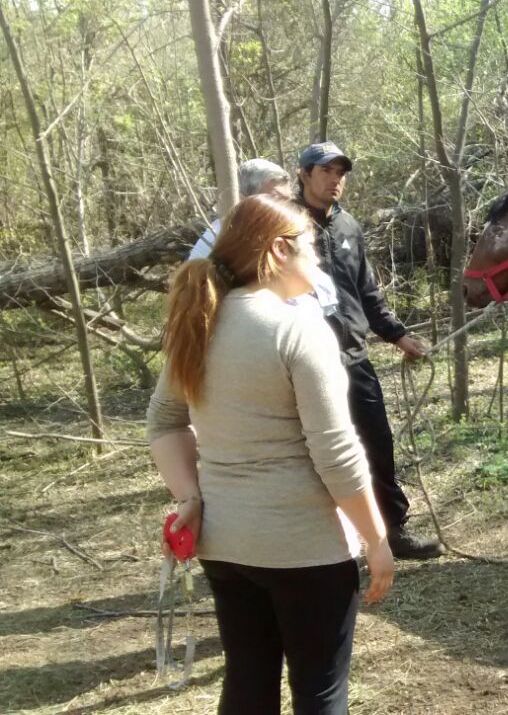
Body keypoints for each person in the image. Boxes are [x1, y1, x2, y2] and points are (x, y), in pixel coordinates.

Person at [147, 195, 394, 714]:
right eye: (309, 246)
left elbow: (163, 421)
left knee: (248, 683)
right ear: (280, 250)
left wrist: (190, 495)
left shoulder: (199, 324)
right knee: (319, 692)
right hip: (305, 546)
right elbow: (335, 452)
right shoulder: (296, 328)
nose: (318, 260)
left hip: (226, 544)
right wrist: (375, 539)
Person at [294, 141, 439, 560]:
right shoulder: (285, 225)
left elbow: (368, 294)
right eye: (326, 172)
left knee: (377, 443)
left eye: (340, 173)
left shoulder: (348, 227)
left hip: (354, 358)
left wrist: (398, 336)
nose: (335, 180)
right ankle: (325, 545)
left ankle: (393, 532)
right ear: (304, 174)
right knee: (314, 454)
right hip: (303, 361)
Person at [188, 158, 339, 315]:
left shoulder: (279, 235)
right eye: (274, 199)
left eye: (287, 201)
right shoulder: (221, 238)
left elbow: (323, 291)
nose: (283, 209)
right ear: (242, 199)